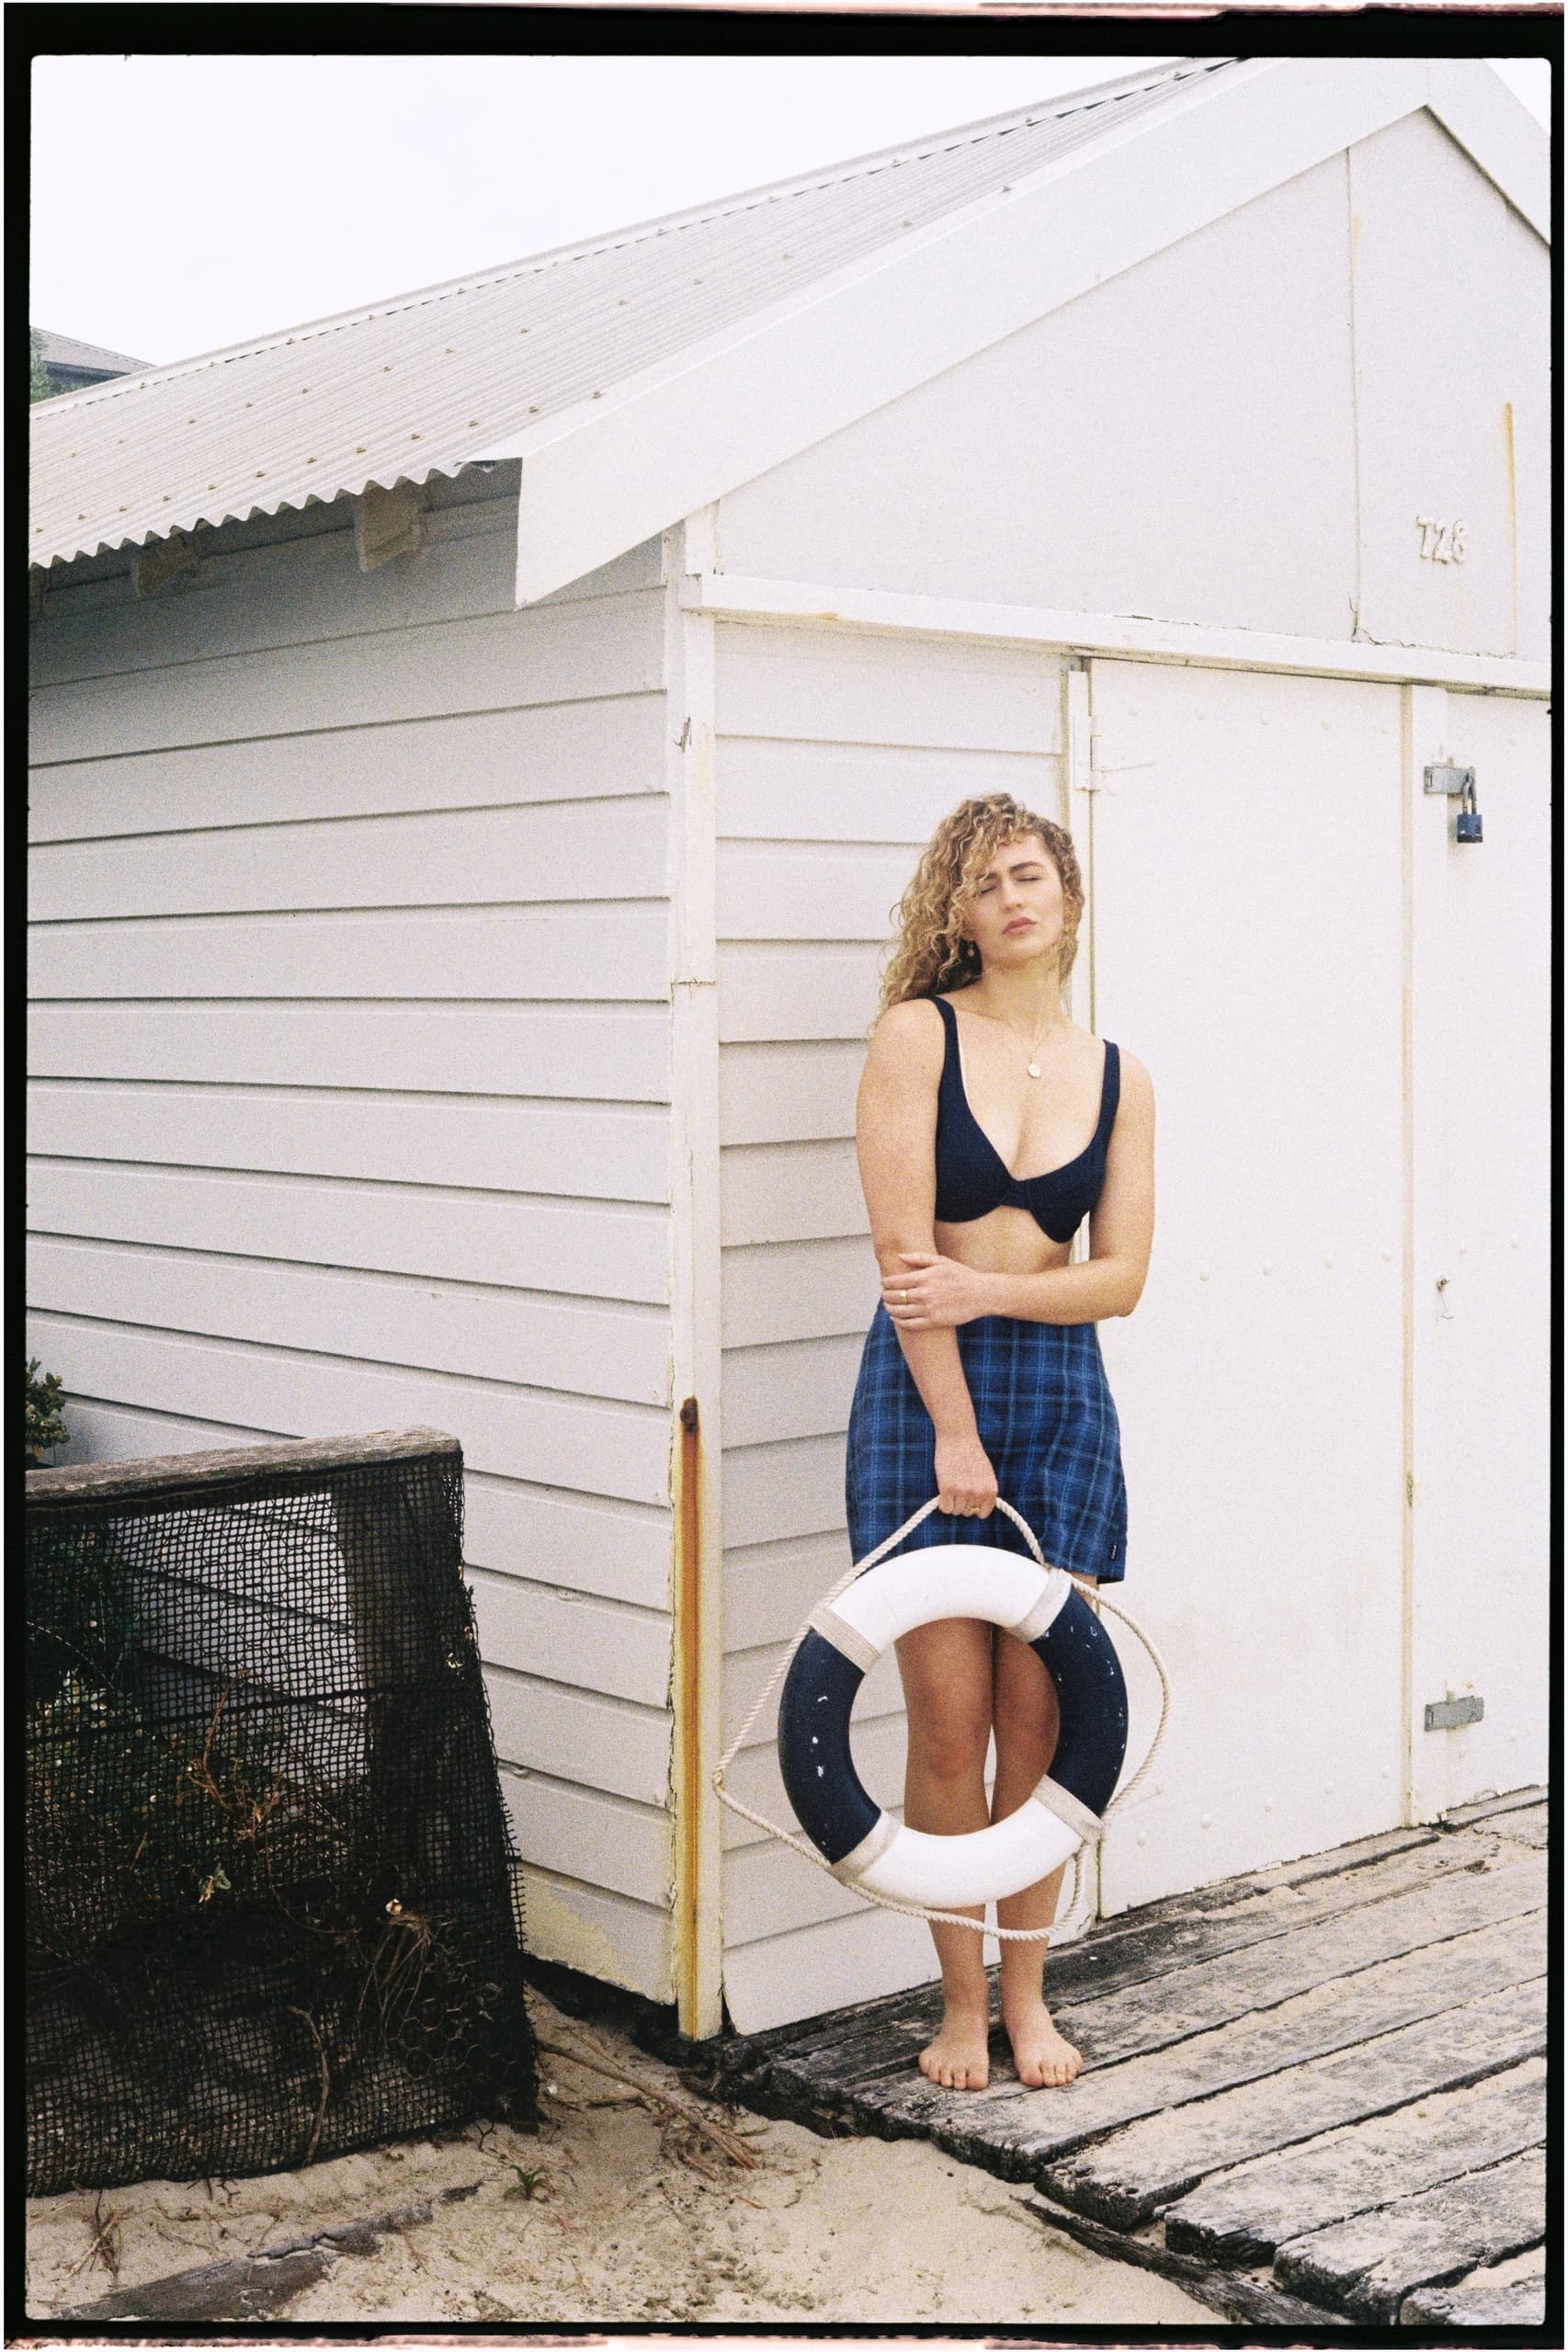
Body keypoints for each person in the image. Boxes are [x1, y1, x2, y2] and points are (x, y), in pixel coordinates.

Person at [847, 792, 1155, 2093]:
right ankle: (958, 2008)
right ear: (955, 917)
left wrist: (996, 1294)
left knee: (1039, 1727)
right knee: (946, 1728)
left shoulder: (1118, 1073)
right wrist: (953, 1429)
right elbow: (905, 1264)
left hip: (1064, 1397)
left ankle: (1029, 2000)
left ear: (1067, 896)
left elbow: (1120, 1279)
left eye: (1027, 875)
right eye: (980, 886)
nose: (1009, 899)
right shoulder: (914, 1036)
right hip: (929, 1396)